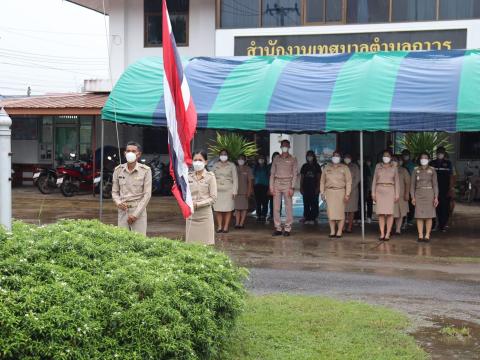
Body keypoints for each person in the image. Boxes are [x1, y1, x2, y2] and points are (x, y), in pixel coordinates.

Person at [112, 141, 152, 235]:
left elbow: (147, 195)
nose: (130, 153)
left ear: (139, 154)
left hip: (138, 211)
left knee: (139, 241)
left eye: (133, 151)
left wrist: (135, 215)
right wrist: (118, 203)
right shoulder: (118, 170)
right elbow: (114, 192)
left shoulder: (145, 170)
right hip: (123, 210)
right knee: (122, 241)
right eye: (128, 151)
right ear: (124, 153)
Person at [185, 150, 217, 245]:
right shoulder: (188, 176)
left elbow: (213, 198)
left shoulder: (210, 177)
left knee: (206, 245)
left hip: (205, 216)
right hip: (191, 215)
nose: (197, 162)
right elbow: (184, 194)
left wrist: (198, 204)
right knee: (191, 246)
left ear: (206, 162)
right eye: (195, 160)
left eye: (200, 160)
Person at [320, 151, 352, 238]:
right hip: (329, 192)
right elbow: (322, 181)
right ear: (332, 157)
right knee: (331, 213)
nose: (336, 157)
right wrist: (322, 192)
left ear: (340, 157)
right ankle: (332, 231)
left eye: (337, 156)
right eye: (334, 156)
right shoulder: (327, 167)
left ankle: (339, 231)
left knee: (340, 213)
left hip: (341, 192)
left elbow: (349, 182)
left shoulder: (345, 168)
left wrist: (347, 194)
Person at [269, 140, 298, 236]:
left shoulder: (293, 159)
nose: (284, 147)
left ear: (289, 147)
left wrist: (292, 187)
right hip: (277, 183)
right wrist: (271, 187)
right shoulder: (276, 158)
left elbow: (295, 174)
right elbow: (272, 173)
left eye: (286, 146)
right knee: (276, 207)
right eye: (283, 146)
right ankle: (277, 228)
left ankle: (287, 228)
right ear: (280, 146)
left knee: (288, 207)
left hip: (288, 183)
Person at [372, 150, 400, 241]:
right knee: (381, 213)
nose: (386, 157)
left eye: (387, 155)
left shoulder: (394, 167)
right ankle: (382, 233)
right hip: (379, 190)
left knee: (389, 213)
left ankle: (387, 233)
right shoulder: (378, 166)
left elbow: (397, 181)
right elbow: (374, 180)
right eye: (384, 155)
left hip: (390, 190)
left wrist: (397, 194)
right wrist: (373, 193)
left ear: (391, 157)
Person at [411, 152, 439, 242]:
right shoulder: (415, 170)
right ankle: (420, 235)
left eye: (425, 158)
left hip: (429, 193)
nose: (423, 159)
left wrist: (436, 197)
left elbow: (435, 184)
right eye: (422, 158)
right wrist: (413, 197)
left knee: (429, 216)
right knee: (419, 216)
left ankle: (427, 235)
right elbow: (412, 185)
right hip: (418, 193)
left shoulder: (432, 170)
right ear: (419, 159)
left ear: (429, 159)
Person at [212, 149, 238, 233]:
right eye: (222, 154)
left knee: (228, 209)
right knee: (217, 209)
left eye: (225, 154)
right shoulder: (215, 165)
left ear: (228, 155)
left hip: (229, 190)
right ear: (219, 156)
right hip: (217, 190)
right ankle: (219, 226)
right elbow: (211, 178)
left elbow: (235, 179)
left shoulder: (232, 165)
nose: (223, 155)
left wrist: (234, 191)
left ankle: (226, 227)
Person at [429, 146, 454, 232]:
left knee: (444, 208)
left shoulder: (448, 163)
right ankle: (432, 225)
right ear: (436, 153)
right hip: (432, 189)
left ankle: (442, 226)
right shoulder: (432, 163)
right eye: (439, 152)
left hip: (444, 189)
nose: (440, 154)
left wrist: (450, 188)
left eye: (442, 152)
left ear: (444, 153)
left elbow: (451, 176)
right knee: (433, 207)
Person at [300, 150, 321, 224]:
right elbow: (302, 178)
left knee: (314, 203)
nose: (309, 157)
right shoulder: (304, 166)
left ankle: (313, 217)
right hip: (306, 188)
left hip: (314, 188)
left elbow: (319, 178)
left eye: (311, 155)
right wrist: (301, 187)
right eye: (308, 155)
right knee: (306, 203)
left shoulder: (317, 166)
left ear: (313, 156)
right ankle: (307, 217)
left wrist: (318, 187)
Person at [392, 155, 410, 235]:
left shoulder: (403, 170)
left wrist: (407, 193)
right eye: (393, 160)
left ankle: (398, 229)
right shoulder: (388, 169)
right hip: (390, 195)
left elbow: (408, 183)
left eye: (396, 160)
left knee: (400, 213)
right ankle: (390, 228)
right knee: (391, 213)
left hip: (401, 195)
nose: (395, 161)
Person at [235, 154, 253, 229]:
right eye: (239, 159)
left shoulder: (248, 169)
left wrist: (249, 191)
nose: (240, 160)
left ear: (245, 160)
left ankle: (241, 223)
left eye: (242, 159)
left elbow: (250, 181)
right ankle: (237, 223)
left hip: (245, 191)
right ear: (237, 160)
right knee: (237, 208)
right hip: (236, 192)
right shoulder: (234, 168)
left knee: (244, 208)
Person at [344, 153, 360, 233]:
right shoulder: (341, 166)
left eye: (348, 157)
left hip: (353, 191)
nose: (347, 159)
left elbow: (357, 179)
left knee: (351, 210)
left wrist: (349, 189)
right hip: (343, 190)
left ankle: (349, 227)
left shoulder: (355, 167)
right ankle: (342, 226)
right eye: (346, 157)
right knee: (343, 209)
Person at [402, 149, 416, 225]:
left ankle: (410, 219)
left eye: (406, 155)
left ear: (409, 156)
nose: (405, 156)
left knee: (410, 204)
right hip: (401, 187)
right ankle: (403, 219)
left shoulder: (413, 165)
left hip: (410, 186)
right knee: (403, 204)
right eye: (404, 155)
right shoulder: (400, 163)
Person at [253, 154, 269, 222]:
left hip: (265, 186)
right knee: (258, 201)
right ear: (257, 160)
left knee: (265, 202)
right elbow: (252, 177)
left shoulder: (267, 167)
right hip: (257, 186)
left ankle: (264, 215)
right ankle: (258, 215)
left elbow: (269, 177)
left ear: (265, 160)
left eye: (262, 158)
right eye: (260, 158)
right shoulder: (255, 167)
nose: (261, 160)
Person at [267, 152, 280, 221]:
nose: (276, 158)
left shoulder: (281, 165)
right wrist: (269, 187)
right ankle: (272, 215)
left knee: (278, 202)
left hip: (279, 186)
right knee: (272, 202)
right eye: (274, 157)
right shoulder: (269, 166)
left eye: (277, 156)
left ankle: (278, 215)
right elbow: (268, 177)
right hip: (271, 186)